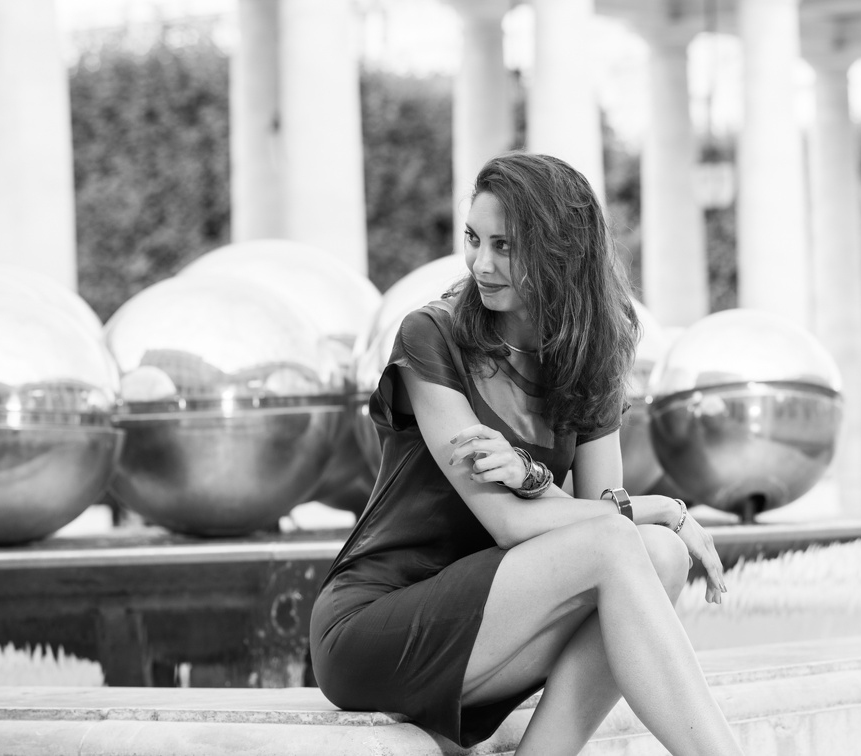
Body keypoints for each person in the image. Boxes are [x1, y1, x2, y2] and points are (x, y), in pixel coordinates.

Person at [310, 152, 743, 755]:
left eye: (505, 246)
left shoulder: (589, 355)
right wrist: (664, 506)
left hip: (499, 620)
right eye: (473, 240)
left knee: (661, 557)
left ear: (560, 252)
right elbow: (512, 522)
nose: (481, 264)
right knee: (638, 537)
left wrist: (539, 481)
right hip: (378, 624)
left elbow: (596, 519)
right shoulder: (432, 337)